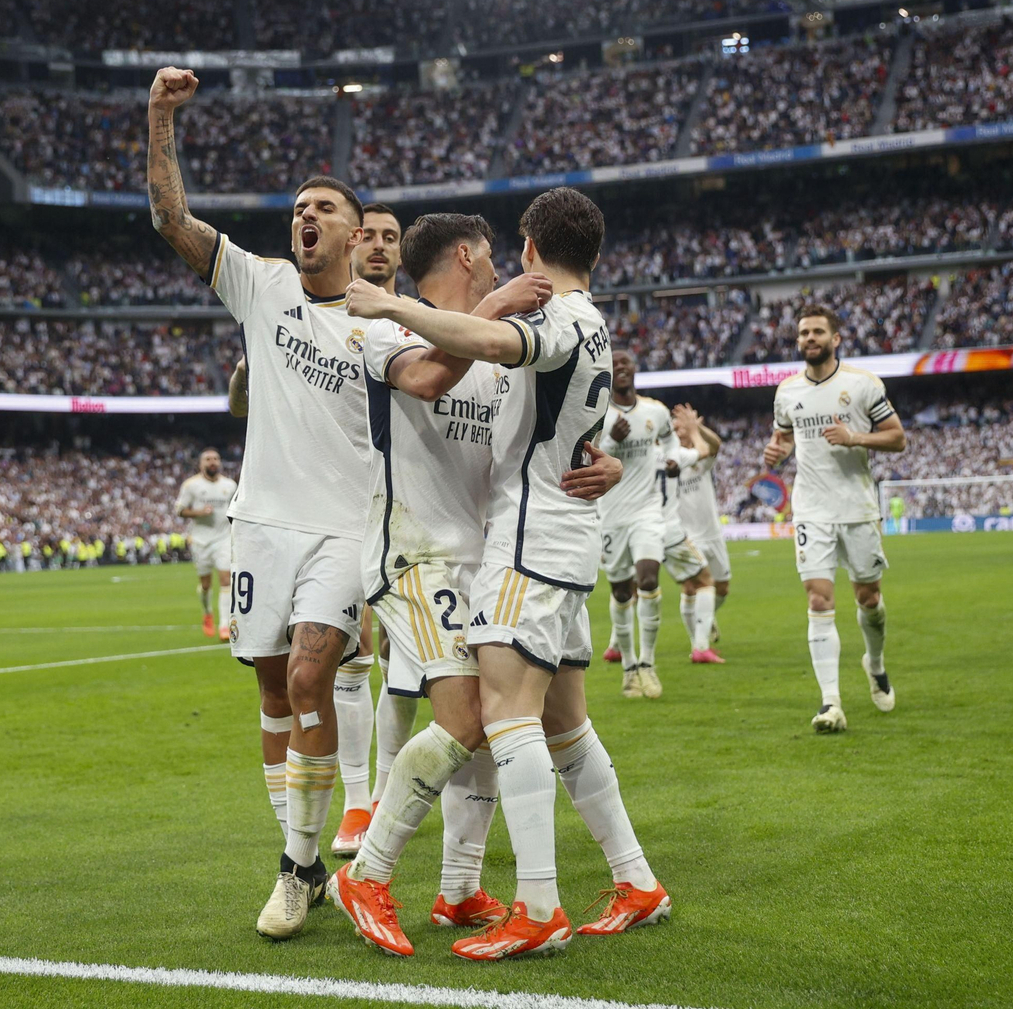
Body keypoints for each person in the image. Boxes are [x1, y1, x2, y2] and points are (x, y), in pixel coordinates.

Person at [346, 187, 668, 961]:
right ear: (469, 256)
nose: (499, 259)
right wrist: (401, 307)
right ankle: (385, 874)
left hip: (518, 546)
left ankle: (495, 893)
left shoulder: (526, 323)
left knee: (528, 720)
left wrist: (603, 461)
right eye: (485, 254)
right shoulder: (385, 332)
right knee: (496, 720)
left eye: (509, 248)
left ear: (530, 250)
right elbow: (431, 375)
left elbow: (531, 394)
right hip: (420, 553)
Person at [148, 65, 370, 940]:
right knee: (277, 695)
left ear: (356, 233)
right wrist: (160, 115)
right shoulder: (263, 285)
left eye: (323, 208)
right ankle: (308, 864)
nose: (304, 216)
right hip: (262, 526)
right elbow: (171, 217)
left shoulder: (387, 321)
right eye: (298, 209)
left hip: (344, 533)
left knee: (316, 673)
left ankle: (292, 867)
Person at [762, 304, 906, 733]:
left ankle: (875, 663)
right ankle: (830, 703)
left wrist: (854, 437)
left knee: (869, 597)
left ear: (835, 339)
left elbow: (898, 438)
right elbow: (783, 436)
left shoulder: (862, 386)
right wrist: (777, 452)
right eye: (804, 332)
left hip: (857, 508)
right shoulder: (787, 391)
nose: (809, 338)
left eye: (818, 332)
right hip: (811, 509)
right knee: (818, 598)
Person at [332, 200, 402, 859]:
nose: (378, 246)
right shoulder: (319, 315)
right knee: (351, 656)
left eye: (390, 238)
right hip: (341, 508)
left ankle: (386, 791)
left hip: (411, 509)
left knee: (403, 665)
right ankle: (359, 803)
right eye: (368, 235)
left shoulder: (414, 321)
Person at [595, 351, 677, 698]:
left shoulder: (655, 411)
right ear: (609, 375)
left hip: (647, 511)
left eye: (626, 363)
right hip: (611, 516)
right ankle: (629, 667)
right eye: (614, 365)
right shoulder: (598, 415)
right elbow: (587, 455)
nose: (621, 368)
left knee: (648, 579)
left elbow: (671, 440)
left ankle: (648, 663)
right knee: (621, 591)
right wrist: (611, 438)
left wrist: (673, 459)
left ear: (634, 370)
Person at [672, 403, 730, 663]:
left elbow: (714, 445)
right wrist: (690, 430)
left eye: (682, 426)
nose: (679, 430)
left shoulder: (699, 459)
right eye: (675, 427)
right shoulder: (669, 459)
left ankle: (703, 622)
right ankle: (699, 644)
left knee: (722, 587)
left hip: (712, 533)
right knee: (692, 587)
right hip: (685, 535)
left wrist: (697, 428)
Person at [174, 448, 237, 638]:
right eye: (208, 459)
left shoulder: (230, 485)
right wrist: (198, 513)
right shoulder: (191, 485)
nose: (212, 462)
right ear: (201, 464)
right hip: (200, 540)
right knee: (206, 583)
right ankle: (207, 612)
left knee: (226, 579)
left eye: (216, 458)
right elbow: (179, 510)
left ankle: (224, 626)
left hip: (223, 538)